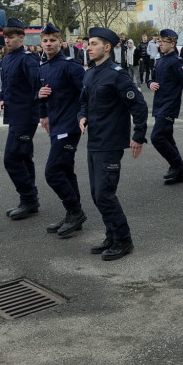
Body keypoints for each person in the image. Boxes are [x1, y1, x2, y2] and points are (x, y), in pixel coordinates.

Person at [78, 26, 148, 261]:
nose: (89, 47)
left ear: (107, 47)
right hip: (94, 141)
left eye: (94, 44)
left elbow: (138, 106)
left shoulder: (118, 75)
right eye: (88, 43)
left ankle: (124, 240)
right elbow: (83, 103)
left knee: (105, 194)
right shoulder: (89, 73)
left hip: (111, 141)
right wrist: (82, 117)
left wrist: (138, 135)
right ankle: (111, 234)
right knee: (96, 194)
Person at [36, 23, 89, 238]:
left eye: (53, 40)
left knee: (53, 172)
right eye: (45, 41)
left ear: (60, 42)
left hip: (69, 126)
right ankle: (72, 214)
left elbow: (86, 93)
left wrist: (83, 116)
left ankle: (76, 213)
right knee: (66, 171)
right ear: (41, 43)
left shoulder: (71, 66)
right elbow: (42, 94)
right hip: (55, 124)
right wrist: (42, 110)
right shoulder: (43, 67)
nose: (49, 44)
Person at [0, 19, 43, 221]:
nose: (7, 40)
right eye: (5, 37)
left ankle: (28, 198)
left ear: (21, 37)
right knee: (23, 157)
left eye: (11, 37)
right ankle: (30, 200)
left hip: (26, 116)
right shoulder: (8, 59)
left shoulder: (27, 59)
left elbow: (38, 88)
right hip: (14, 114)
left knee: (12, 158)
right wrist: (1, 99)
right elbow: (5, 85)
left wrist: (40, 113)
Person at [149, 29, 183, 185]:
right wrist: (150, 83)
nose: (160, 44)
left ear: (173, 44)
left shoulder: (177, 62)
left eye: (163, 42)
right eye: (159, 42)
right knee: (168, 138)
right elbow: (152, 78)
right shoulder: (160, 60)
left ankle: (176, 165)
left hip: (169, 106)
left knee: (157, 137)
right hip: (158, 105)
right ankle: (181, 174)